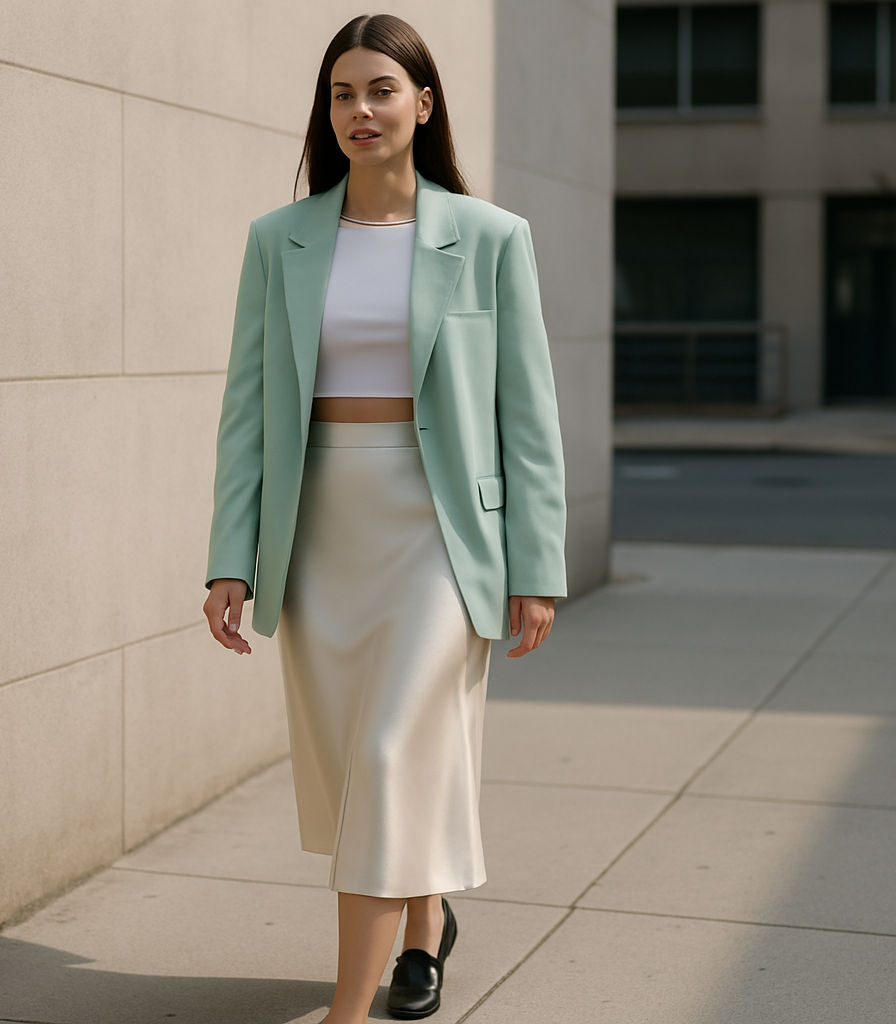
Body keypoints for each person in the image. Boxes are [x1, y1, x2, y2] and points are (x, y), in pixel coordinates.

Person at [203, 13, 566, 1023]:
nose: (358, 110)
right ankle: (423, 925)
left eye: (379, 90)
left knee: (384, 755)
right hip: (319, 528)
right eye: (339, 94)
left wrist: (536, 562)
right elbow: (247, 411)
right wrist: (230, 553)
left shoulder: (490, 237)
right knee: (375, 760)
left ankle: (346, 1013)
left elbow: (527, 419)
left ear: (423, 102)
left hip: (439, 535)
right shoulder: (279, 240)